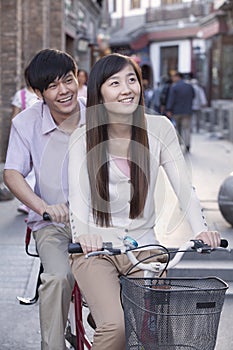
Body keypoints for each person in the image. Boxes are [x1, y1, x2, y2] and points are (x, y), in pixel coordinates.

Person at [68, 53, 221, 350]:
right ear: (99, 91)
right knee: (116, 328)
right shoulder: (82, 136)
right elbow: (78, 196)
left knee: (159, 331)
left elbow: (183, 186)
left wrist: (201, 229)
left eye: (132, 80)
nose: (127, 89)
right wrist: (84, 236)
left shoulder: (160, 127)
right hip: (97, 249)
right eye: (115, 83)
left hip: (145, 247)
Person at [4, 48, 86, 350]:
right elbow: (12, 173)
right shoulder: (25, 123)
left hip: (99, 222)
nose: (64, 91)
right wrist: (44, 208)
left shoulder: (98, 114)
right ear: (38, 93)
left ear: (78, 78)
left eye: (67, 81)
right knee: (57, 278)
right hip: (53, 224)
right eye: (52, 86)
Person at [11, 66, 40, 214]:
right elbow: (15, 117)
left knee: (38, 170)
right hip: (27, 135)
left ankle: (35, 200)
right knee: (27, 171)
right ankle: (26, 202)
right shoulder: (20, 95)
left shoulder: (44, 94)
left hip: (41, 134)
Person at [166, 72, 195, 152]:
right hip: (187, 111)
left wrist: (169, 109)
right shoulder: (189, 86)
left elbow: (171, 99)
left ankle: (179, 143)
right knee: (187, 128)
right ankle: (187, 144)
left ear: (177, 77)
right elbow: (193, 96)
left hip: (176, 111)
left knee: (177, 128)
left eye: (173, 77)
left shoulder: (174, 87)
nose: (172, 79)